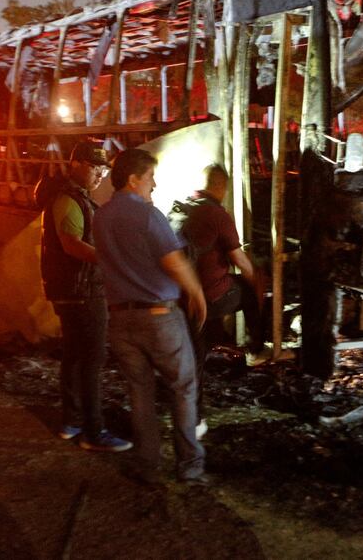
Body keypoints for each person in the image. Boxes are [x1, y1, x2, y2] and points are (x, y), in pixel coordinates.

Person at [93, 149, 208, 485]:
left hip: (119, 320)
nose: (154, 184)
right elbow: (173, 261)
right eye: (150, 177)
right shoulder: (148, 215)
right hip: (158, 318)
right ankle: (189, 465)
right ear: (133, 179)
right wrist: (197, 292)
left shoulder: (101, 216)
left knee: (139, 391)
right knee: (184, 387)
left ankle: (147, 461)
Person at [36, 142, 131, 452]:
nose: (99, 174)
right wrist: (111, 259)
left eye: (103, 169)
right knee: (91, 361)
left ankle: (71, 422)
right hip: (81, 292)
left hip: (75, 291)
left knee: (75, 358)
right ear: (75, 164)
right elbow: (71, 245)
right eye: (93, 167)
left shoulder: (76, 198)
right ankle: (93, 431)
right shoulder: (67, 199)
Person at [177, 164, 265, 437]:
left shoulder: (182, 208)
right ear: (221, 187)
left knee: (196, 357)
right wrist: (258, 280)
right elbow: (240, 260)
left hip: (181, 298)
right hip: (210, 296)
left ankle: (195, 418)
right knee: (249, 290)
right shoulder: (217, 214)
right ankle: (256, 348)